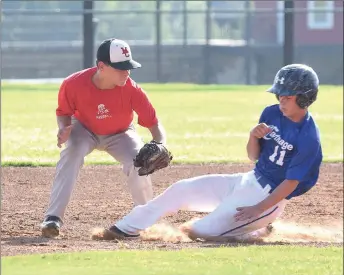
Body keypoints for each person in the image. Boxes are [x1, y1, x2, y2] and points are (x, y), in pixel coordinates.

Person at [96, 63, 323, 241]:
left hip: (268, 200)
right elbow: (253, 157)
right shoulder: (271, 113)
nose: (281, 100)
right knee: (180, 189)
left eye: (288, 96)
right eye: (279, 95)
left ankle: (254, 231)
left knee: (199, 231)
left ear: (304, 97)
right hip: (247, 180)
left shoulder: (308, 137)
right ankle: (125, 229)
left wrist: (258, 209)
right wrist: (253, 136)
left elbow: (291, 183)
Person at [41, 38, 167, 238]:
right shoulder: (73, 84)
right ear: (101, 66)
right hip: (84, 129)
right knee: (71, 155)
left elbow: (154, 124)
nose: (127, 72)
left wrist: (159, 144)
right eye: (120, 68)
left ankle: (145, 220)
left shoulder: (132, 89)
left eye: (128, 67)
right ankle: (53, 218)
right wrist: (63, 128)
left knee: (139, 160)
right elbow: (63, 112)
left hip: (121, 133)